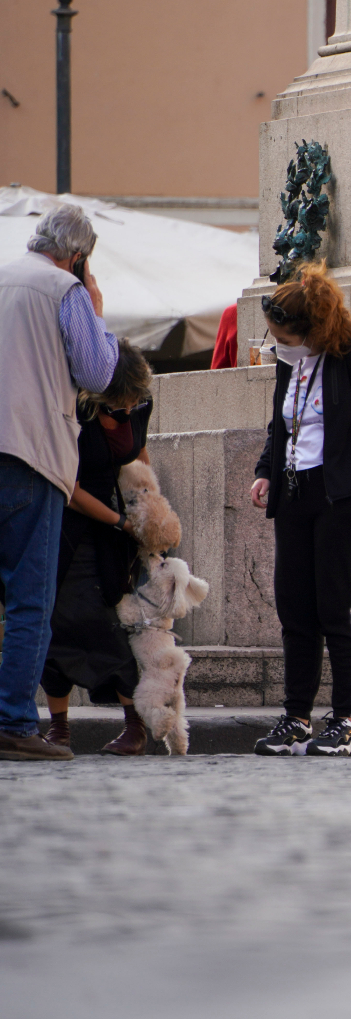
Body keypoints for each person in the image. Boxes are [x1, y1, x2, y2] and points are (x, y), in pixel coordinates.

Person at [247, 263, 351, 757]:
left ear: (314, 329)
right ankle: (297, 715)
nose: (278, 344)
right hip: (294, 492)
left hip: (342, 497)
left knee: (337, 608)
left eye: (284, 336)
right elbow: (281, 424)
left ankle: (349, 721)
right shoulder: (289, 360)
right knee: (295, 608)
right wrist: (265, 469)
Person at [0, 205, 119, 761]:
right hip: (30, 454)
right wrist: (95, 311)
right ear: (79, 255)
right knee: (30, 600)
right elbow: (97, 373)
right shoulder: (64, 289)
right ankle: (15, 723)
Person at [40, 340, 154, 755]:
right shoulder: (78, 410)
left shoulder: (139, 406)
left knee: (107, 620)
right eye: (114, 409)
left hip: (110, 524)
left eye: (129, 408)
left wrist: (146, 506)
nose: (124, 414)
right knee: (54, 620)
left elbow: (139, 455)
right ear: (95, 399)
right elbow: (68, 486)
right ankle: (59, 727)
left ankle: (134, 724)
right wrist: (120, 521)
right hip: (69, 519)